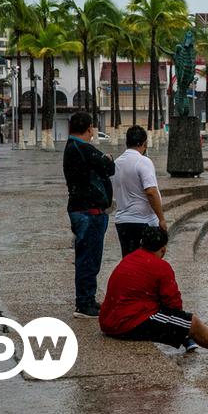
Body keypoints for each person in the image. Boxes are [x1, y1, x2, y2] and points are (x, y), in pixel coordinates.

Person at [99, 227, 208, 361]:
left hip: (108, 320)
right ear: (163, 249)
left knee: (172, 317)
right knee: (191, 323)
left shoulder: (129, 258)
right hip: (126, 324)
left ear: (142, 243)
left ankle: (187, 339)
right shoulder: (161, 266)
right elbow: (174, 306)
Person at [63, 112, 115, 318]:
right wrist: (108, 159)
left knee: (88, 258)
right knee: (88, 259)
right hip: (88, 213)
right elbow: (109, 168)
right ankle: (84, 304)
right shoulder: (83, 148)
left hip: (83, 210)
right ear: (89, 129)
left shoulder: (73, 147)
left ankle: (88, 299)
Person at [112, 126, 166, 257]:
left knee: (129, 260)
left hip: (123, 222)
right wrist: (161, 219)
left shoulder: (116, 163)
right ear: (144, 143)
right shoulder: (143, 162)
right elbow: (151, 192)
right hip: (143, 222)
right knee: (147, 261)